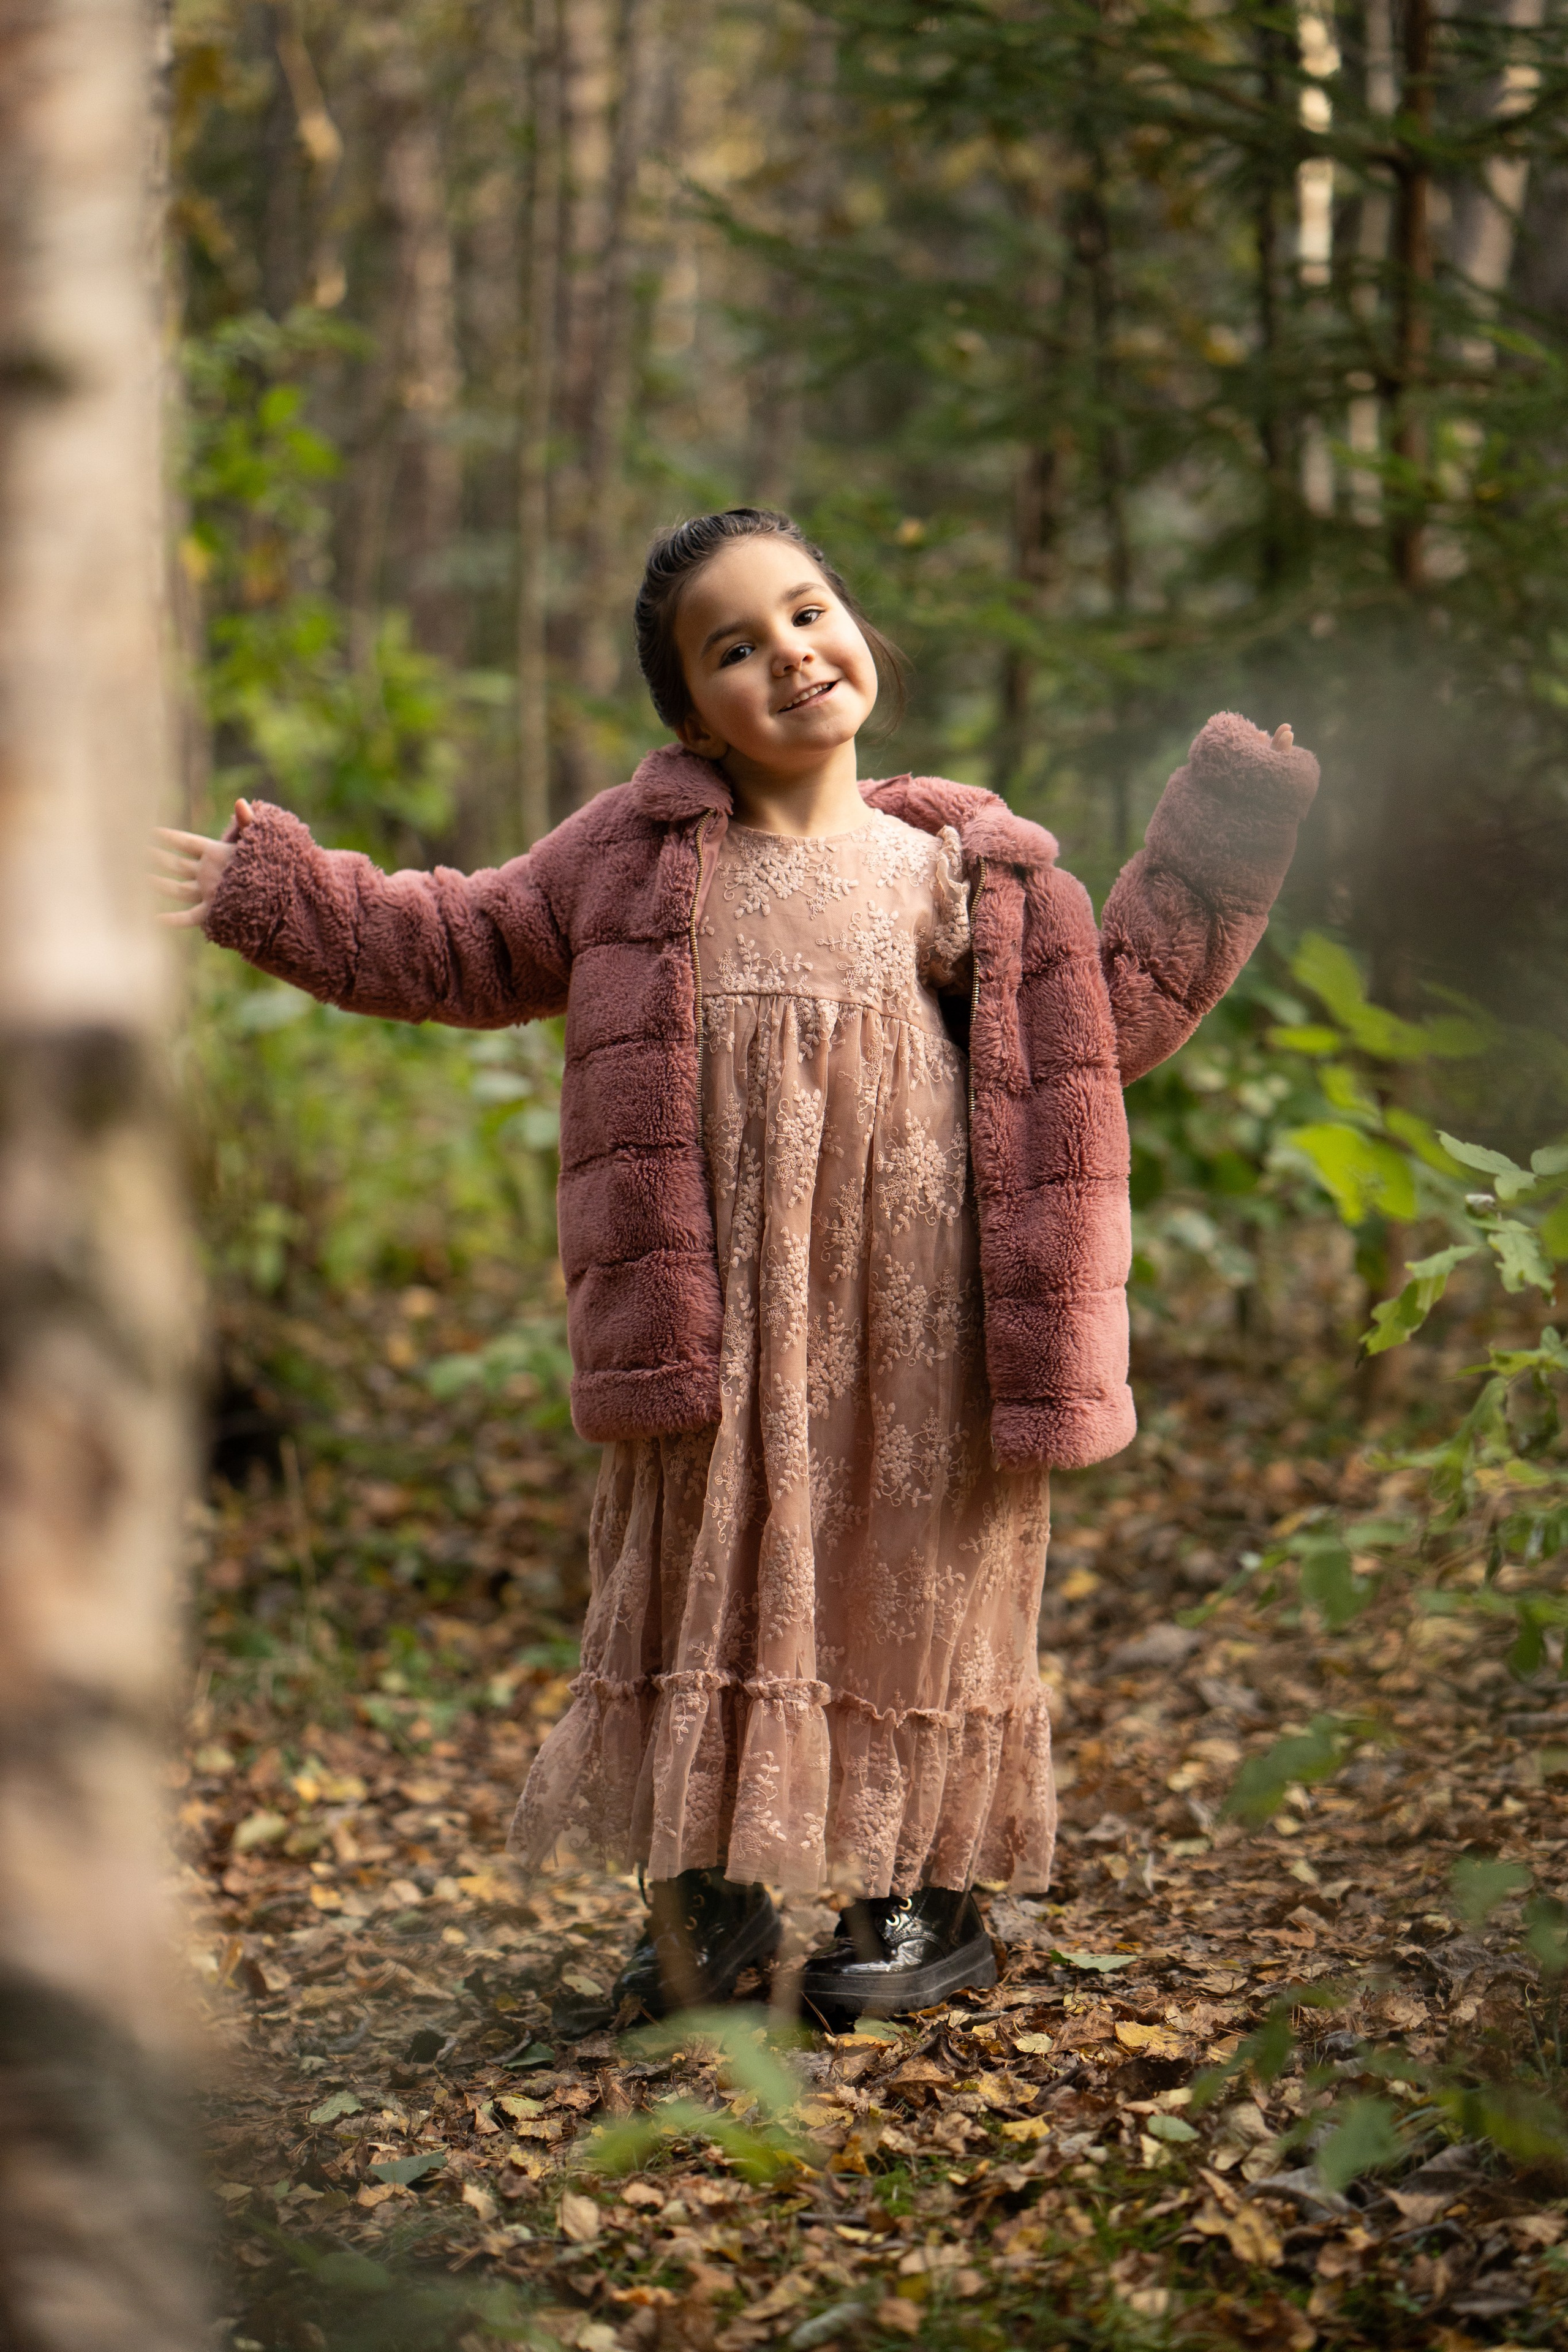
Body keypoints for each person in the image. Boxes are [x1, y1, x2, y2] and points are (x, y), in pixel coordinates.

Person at [157, 507, 1317, 2025]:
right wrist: (278, 891)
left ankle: (920, 1899)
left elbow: (1104, 1025)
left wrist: (1225, 829)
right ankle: (705, 1901)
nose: (789, 654)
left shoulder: (964, 866)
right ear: (691, 715)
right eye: (733, 647)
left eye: (806, 612)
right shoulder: (631, 859)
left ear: (856, 630)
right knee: (697, 1561)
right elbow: (456, 940)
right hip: (711, 1306)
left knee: (912, 1562)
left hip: (921, 1307)